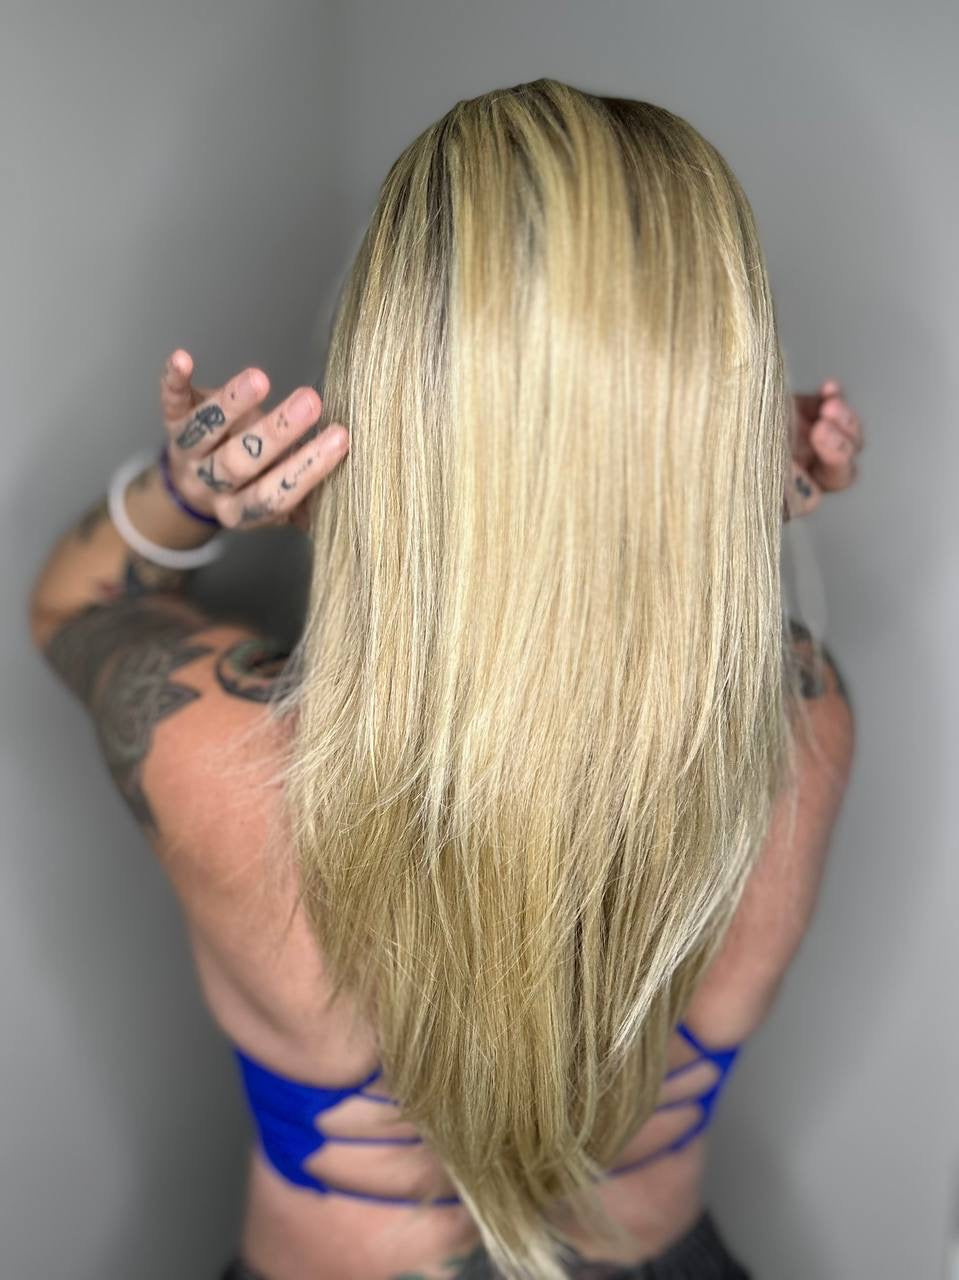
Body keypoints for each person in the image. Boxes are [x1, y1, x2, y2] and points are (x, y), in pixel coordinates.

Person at [28, 79, 862, 1280]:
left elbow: (73, 605)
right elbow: (641, 632)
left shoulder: (212, 752)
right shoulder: (803, 721)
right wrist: (702, 488)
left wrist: (186, 489)